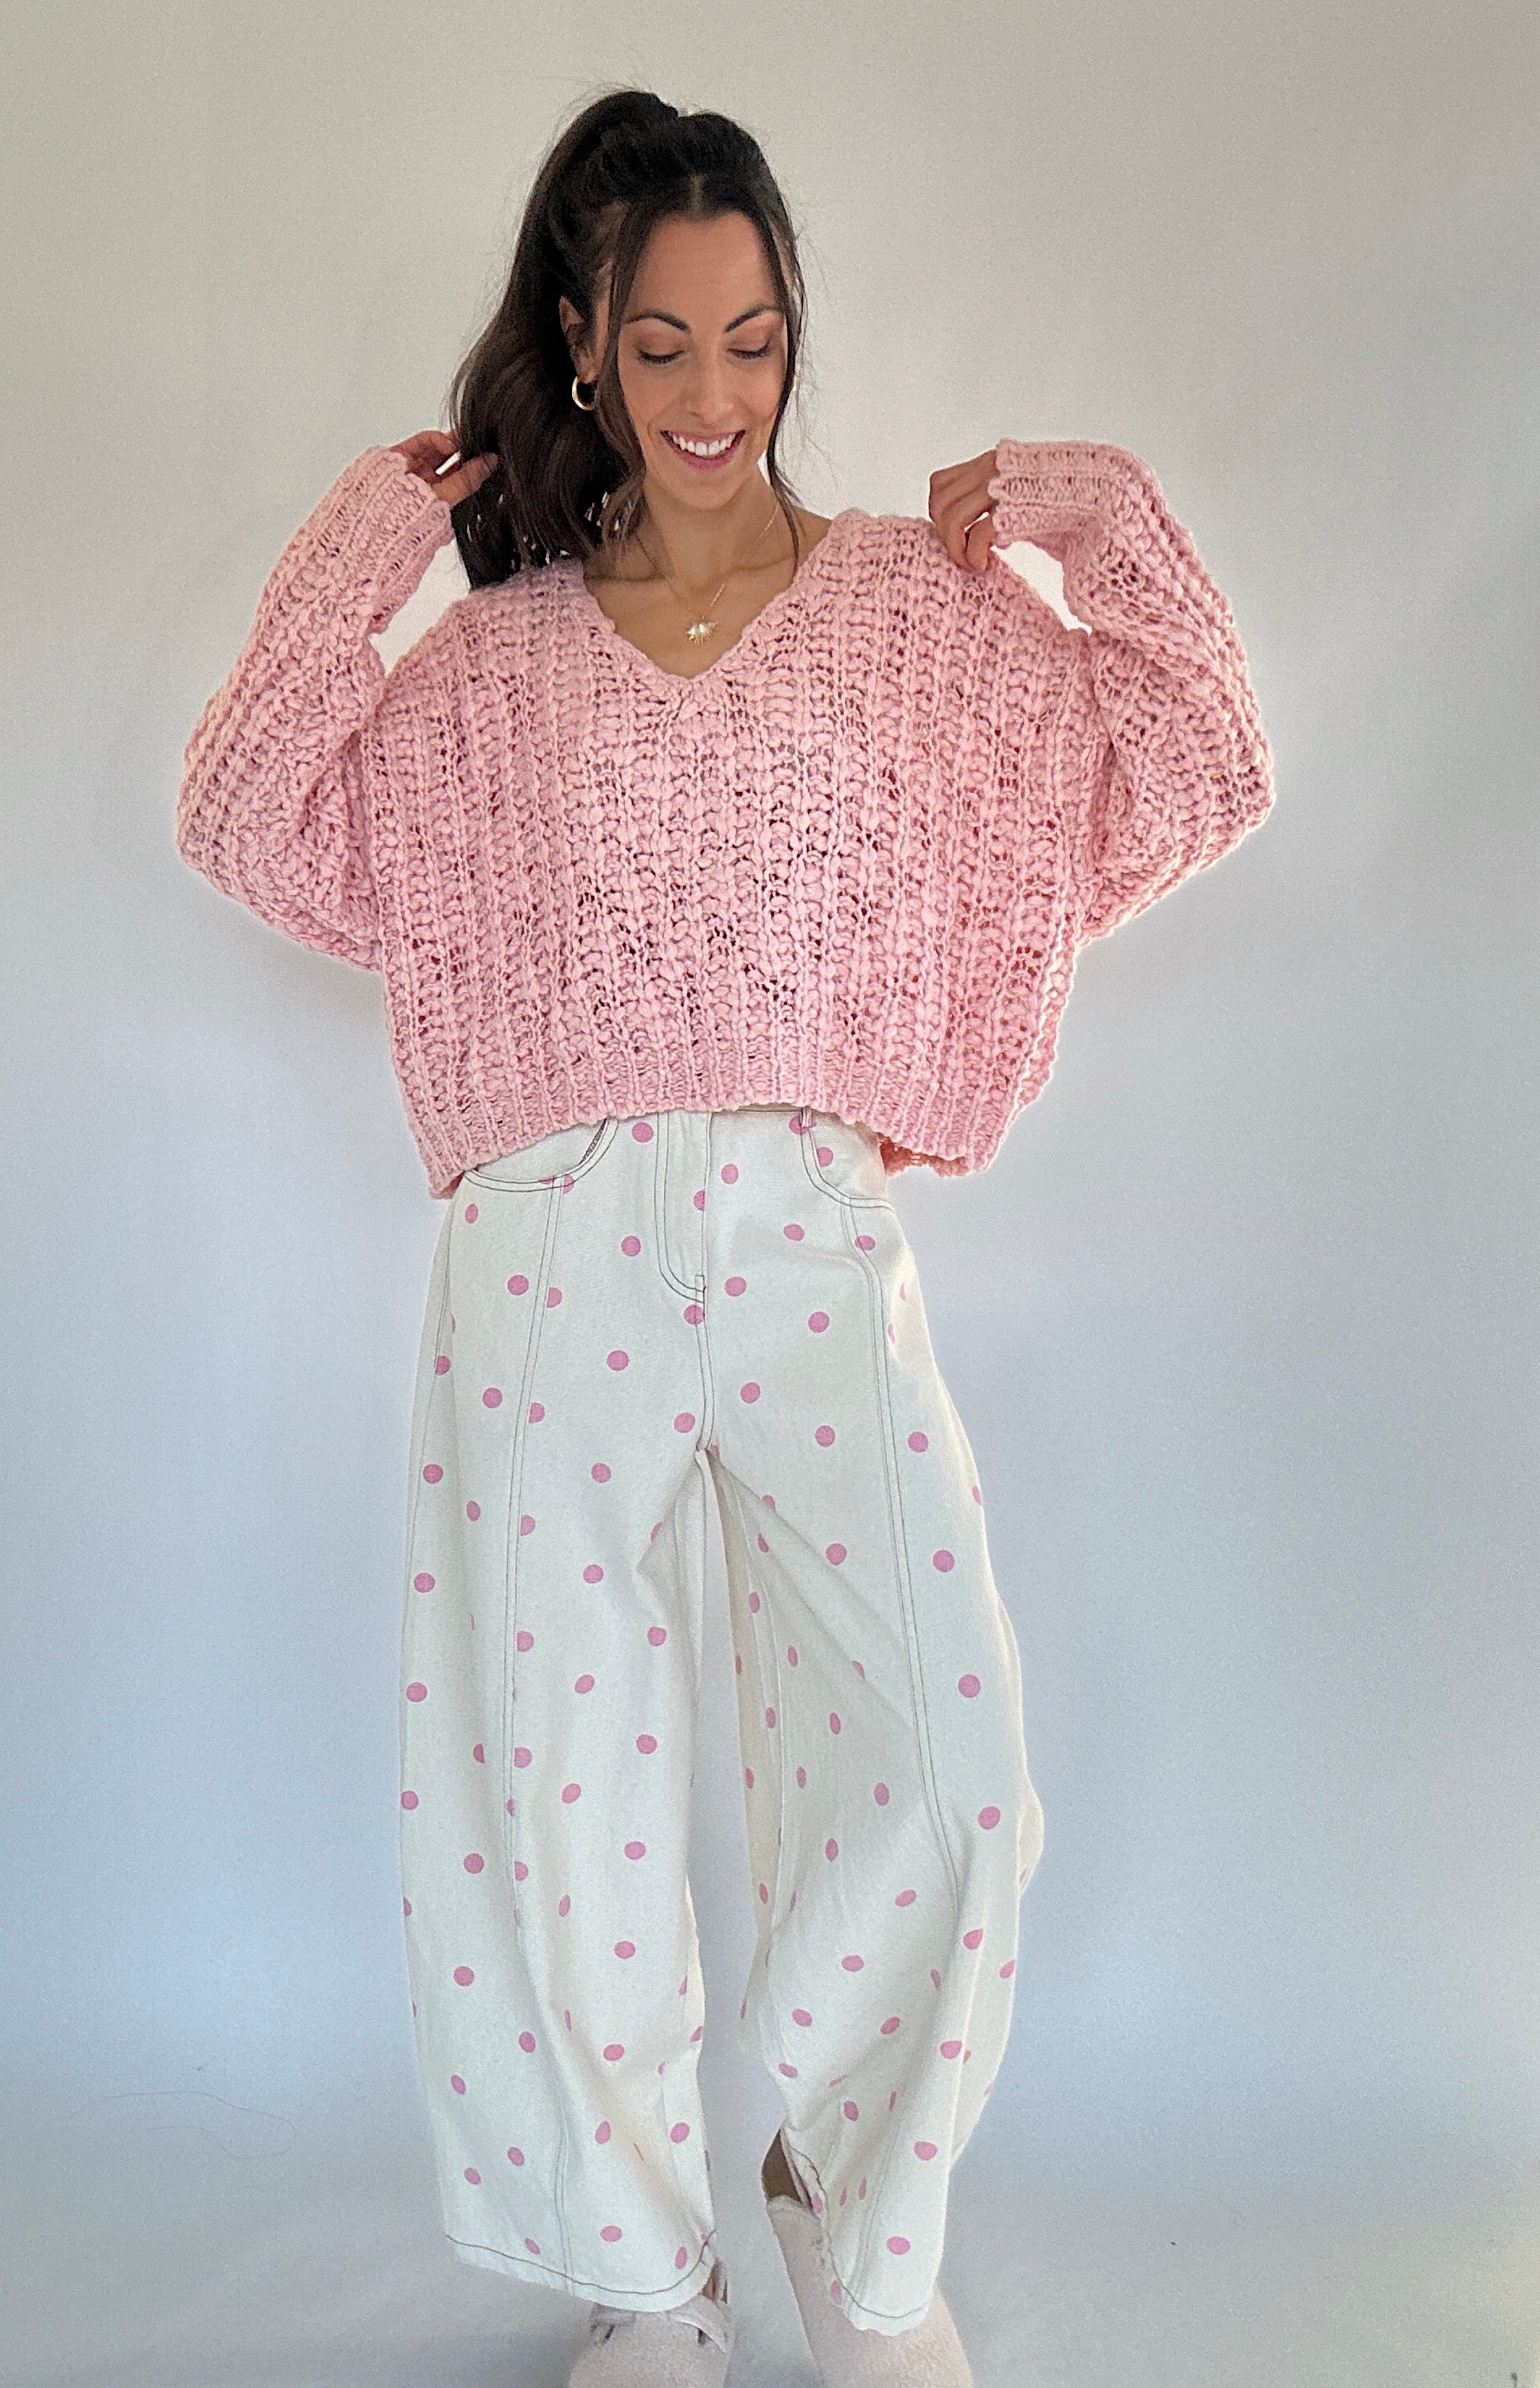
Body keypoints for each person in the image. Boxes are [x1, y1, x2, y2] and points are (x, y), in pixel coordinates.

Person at [176, 86, 1276, 2388]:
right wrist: (351, 560)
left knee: (958, 1783)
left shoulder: (909, 615)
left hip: (804, 1232)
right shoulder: (483, 670)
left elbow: (1193, 765)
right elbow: (249, 814)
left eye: (755, 342)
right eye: (660, 346)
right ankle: (644, 2285)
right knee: (558, 1798)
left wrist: (1092, 509)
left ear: (797, 341)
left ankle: (843, 2217)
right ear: (580, 350)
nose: (713, 398)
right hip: (545, 1254)